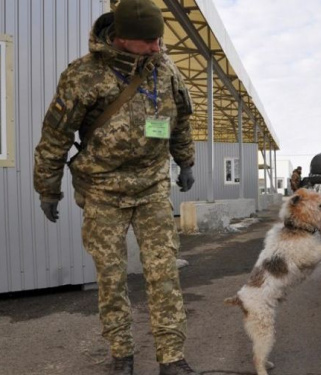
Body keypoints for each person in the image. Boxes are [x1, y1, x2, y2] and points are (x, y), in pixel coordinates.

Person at [33, 1, 199, 374]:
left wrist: (185, 161)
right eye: (148, 41)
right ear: (121, 39)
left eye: (159, 39)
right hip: (103, 191)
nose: (157, 47)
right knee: (111, 276)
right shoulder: (83, 75)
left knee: (164, 273)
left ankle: (172, 358)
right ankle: (121, 354)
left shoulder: (166, 69)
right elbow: (55, 137)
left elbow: (182, 120)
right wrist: (48, 188)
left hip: (152, 185)